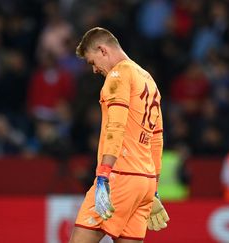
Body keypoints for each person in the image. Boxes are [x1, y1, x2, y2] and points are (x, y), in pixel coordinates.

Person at [69, 27, 169, 243]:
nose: (95, 70)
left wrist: (104, 175)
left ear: (103, 50)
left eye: (92, 62)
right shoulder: (148, 79)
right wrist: (154, 189)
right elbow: (157, 137)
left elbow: (116, 126)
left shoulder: (118, 75)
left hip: (119, 176)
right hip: (144, 183)